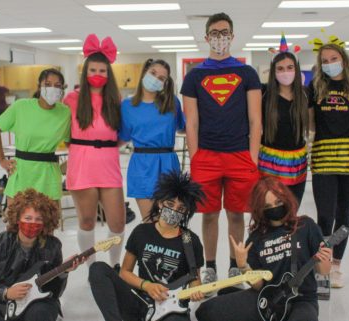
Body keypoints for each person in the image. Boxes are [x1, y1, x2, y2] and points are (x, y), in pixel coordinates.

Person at [181, 12, 262, 285]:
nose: (220, 38)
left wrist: (252, 157)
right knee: (209, 214)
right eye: (214, 33)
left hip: (240, 154)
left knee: (237, 213)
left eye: (224, 32)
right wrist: (195, 158)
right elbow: (191, 122)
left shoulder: (246, 73)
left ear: (232, 36)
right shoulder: (194, 76)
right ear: (206, 38)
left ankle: (235, 265)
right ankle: (211, 265)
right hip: (206, 155)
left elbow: (255, 119)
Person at [195, 176, 332, 321]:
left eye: (278, 202)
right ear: (260, 210)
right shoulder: (256, 238)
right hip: (268, 298)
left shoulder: (306, 225)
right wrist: (243, 266)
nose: (275, 208)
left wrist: (324, 258)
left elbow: (324, 271)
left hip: (302, 300)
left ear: (286, 198)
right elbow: (259, 285)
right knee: (205, 311)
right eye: (268, 206)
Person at [89, 171, 205, 321]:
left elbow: (195, 279)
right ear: (160, 203)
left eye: (181, 209)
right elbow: (124, 272)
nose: (174, 211)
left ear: (186, 213)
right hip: (140, 300)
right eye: (170, 204)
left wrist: (196, 292)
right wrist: (147, 286)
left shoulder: (191, 241)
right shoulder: (141, 232)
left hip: (171, 308)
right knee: (98, 269)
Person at [0, 189, 82, 321]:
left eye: (38, 219)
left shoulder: (53, 246)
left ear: (45, 222)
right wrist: (5, 293)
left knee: (40, 313)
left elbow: (55, 292)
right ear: (17, 219)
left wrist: (64, 272)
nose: (32, 223)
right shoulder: (0, 243)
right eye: (28, 218)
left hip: (35, 303)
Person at [63, 34, 125, 268]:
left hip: (108, 166)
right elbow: (63, 132)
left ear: (108, 75)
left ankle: (114, 266)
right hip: (82, 165)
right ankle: (92, 268)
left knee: (117, 223)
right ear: (85, 73)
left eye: (102, 71)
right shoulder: (72, 99)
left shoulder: (115, 100)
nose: (97, 75)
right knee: (87, 221)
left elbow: (122, 134)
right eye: (93, 70)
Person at [308, 43, 349, 288]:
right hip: (323, 155)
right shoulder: (314, 87)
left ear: (343, 59)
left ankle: (336, 265)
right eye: (325, 60)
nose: (329, 63)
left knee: (343, 213)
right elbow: (311, 124)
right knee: (325, 215)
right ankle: (323, 264)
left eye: (334, 58)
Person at [0, 68, 71, 205]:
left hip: (48, 174)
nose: (52, 88)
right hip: (22, 171)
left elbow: (72, 143)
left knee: (48, 223)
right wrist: (2, 159)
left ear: (62, 89)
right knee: (16, 222)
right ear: (39, 86)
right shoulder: (21, 107)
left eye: (57, 85)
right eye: (47, 84)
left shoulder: (65, 113)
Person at [119, 58, 185, 219]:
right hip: (142, 165)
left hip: (168, 164)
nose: (156, 79)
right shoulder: (127, 106)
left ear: (165, 83)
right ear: (145, 72)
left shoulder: (172, 103)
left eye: (162, 78)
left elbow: (184, 127)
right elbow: (123, 137)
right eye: (153, 73)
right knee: (150, 221)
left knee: (171, 221)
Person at [260, 51, 308, 204]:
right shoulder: (264, 95)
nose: (285, 72)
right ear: (273, 71)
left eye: (289, 67)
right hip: (269, 161)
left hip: (297, 162)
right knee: (270, 210)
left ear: (297, 69)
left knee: (293, 209)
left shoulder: (305, 95)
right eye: (280, 69)